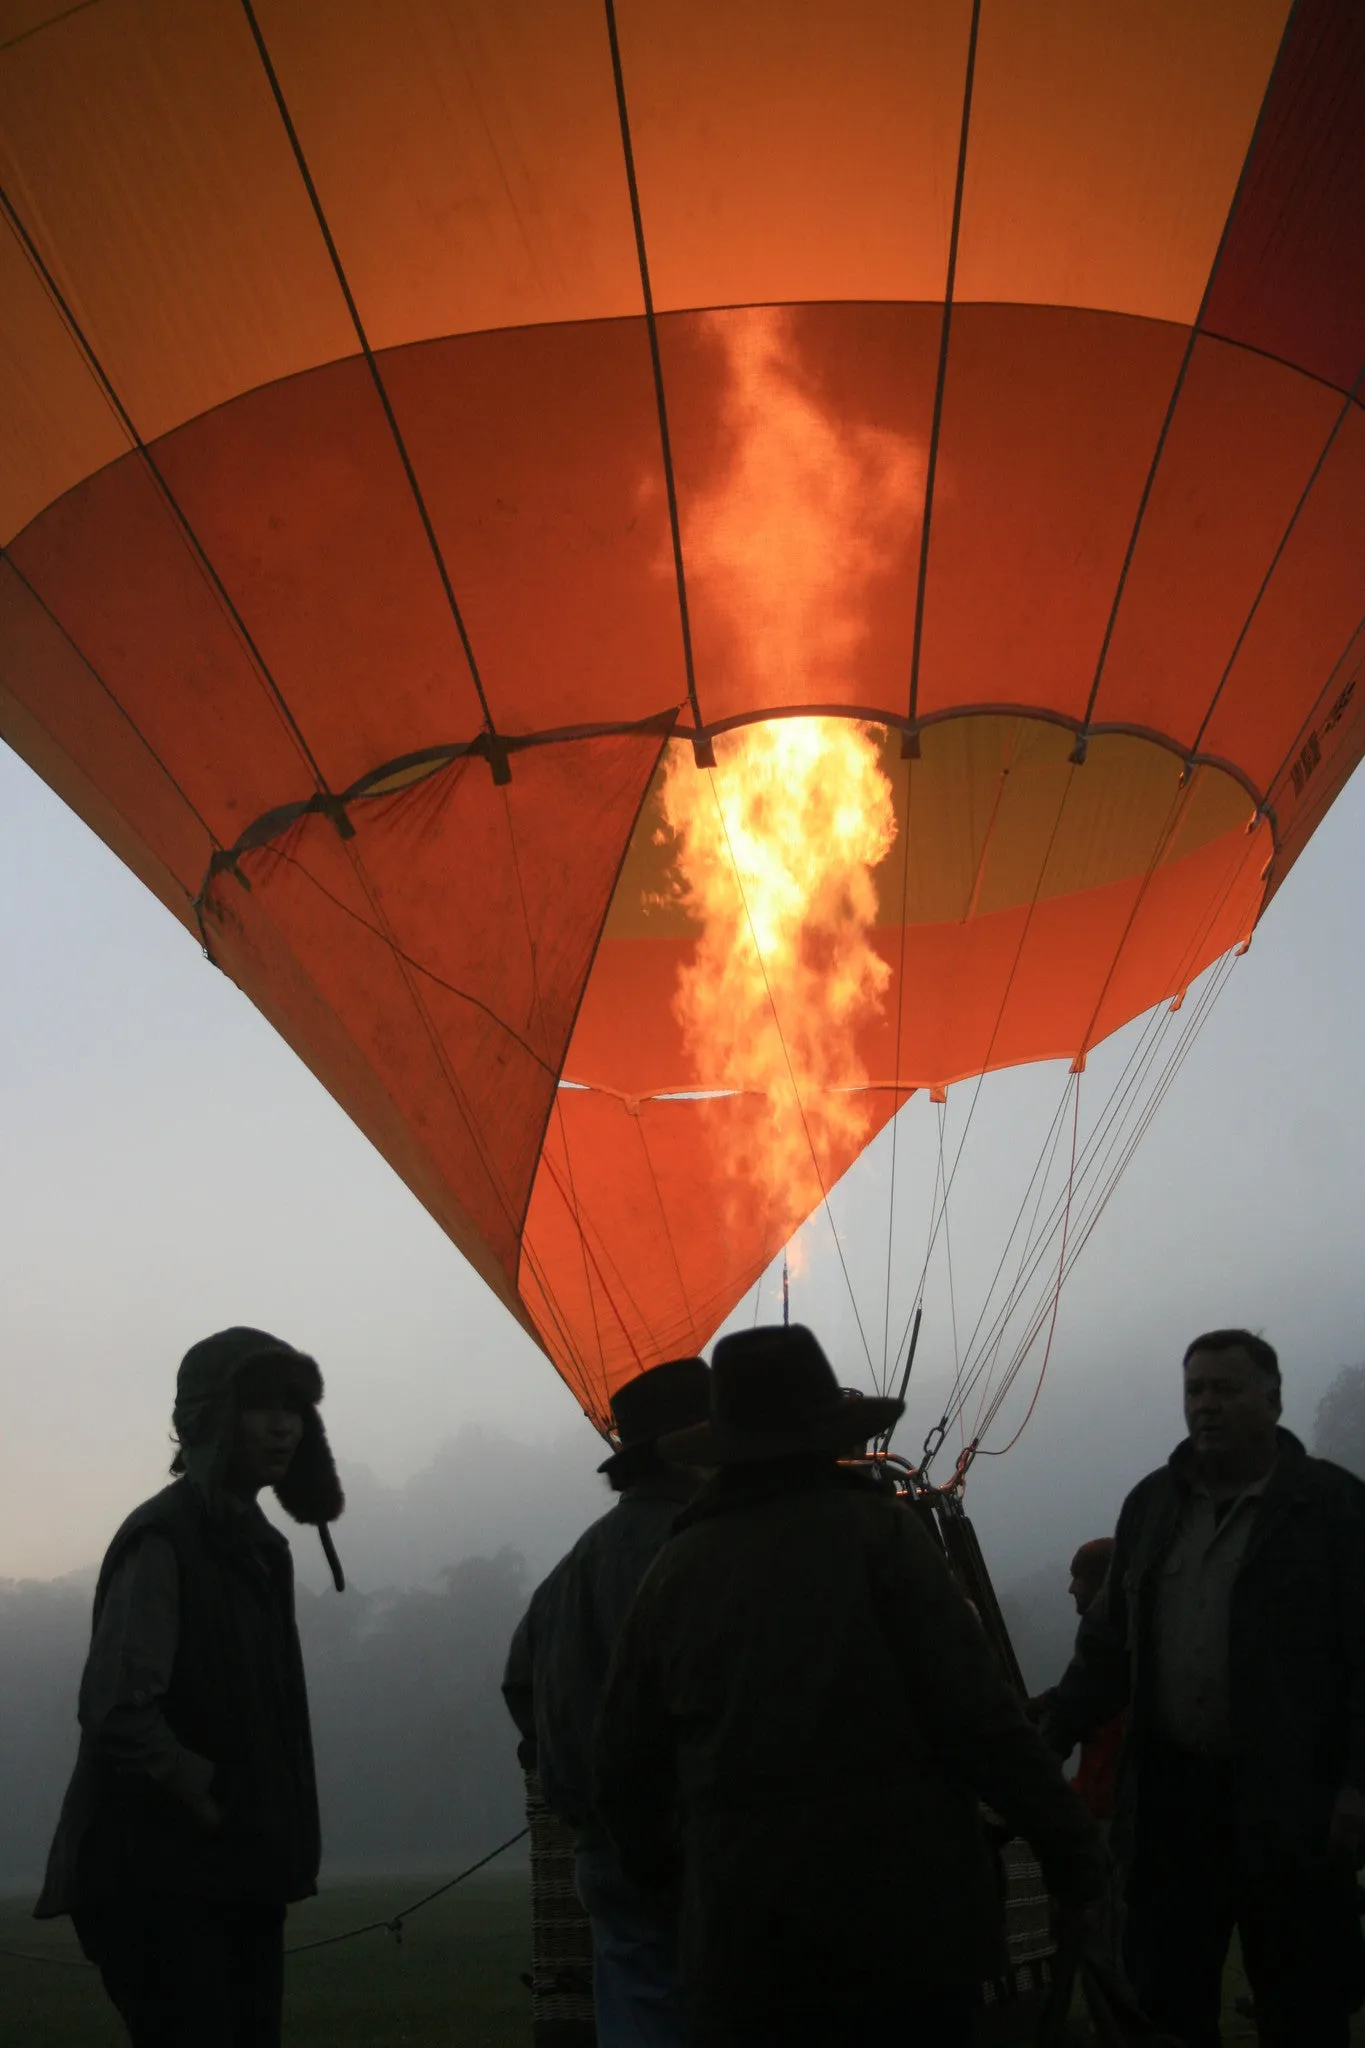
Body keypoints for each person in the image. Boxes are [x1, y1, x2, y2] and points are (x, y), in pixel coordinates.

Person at [593, 1325, 1104, 2048]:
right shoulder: (884, 1537)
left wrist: (680, 1883)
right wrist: (1071, 1855)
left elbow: (621, 1762)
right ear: (824, 1432)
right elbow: (980, 1720)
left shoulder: (675, 1571)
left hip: (747, 1937)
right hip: (905, 1922)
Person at [1040, 1328, 1365, 2048]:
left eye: (1226, 1390)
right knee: (1168, 1998)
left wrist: (1355, 1784)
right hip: (1171, 1807)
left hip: (1293, 1806)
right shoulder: (1151, 1507)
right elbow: (1107, 1647)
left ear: (1272, 1401)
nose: (1206, 1406)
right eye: (1195, 1391)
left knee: (1302, 1999)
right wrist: (1048, 1733)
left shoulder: (1334, 1509)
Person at [35, 1327, 345, 2048]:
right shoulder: (163, 1542)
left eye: (294, 1408)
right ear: (209, 1419)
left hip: (237, 1877)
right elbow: (116, 1711)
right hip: (154, 1882)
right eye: (260, 1406)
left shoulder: (260, 1546)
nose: (283, 1426)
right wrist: (213, 1800)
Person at [502, 1354, 712, 2048]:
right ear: (691, 1452)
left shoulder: (572, 1567)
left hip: (604, 1847)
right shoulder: (703, 1552)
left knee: (639, 2013)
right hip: (701, 1839)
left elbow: (520, 1684)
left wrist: (563, 1770)